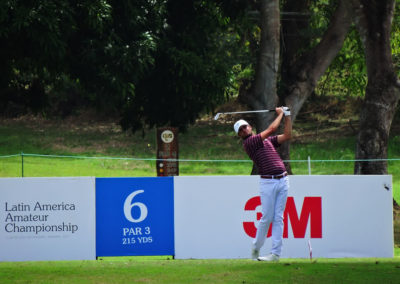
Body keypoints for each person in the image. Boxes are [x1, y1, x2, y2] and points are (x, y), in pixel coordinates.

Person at [234, 107, 292, 262]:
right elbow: (272, 128)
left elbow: (287, 135)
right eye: (240, 130)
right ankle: (256, 248)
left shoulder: (267, 141)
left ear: (250, 127)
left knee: (278, 217)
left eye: (245, 126)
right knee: (266, 217)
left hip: (283, 179)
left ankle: (275, 254)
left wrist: (287, 116)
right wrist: (280, 113)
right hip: (268, 182)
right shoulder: (250, 143)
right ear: (240, 135)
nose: (244, 130)